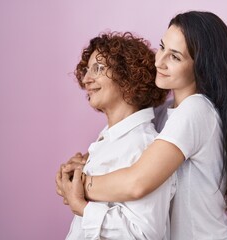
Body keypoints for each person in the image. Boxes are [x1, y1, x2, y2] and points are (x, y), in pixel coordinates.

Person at [58, 11, 227, 240]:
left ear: (200, 67)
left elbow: (137, 182)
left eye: (175, 57)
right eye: (162, 48)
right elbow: (127, 141)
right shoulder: (164, 113)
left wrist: (79, 187)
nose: (159, 61)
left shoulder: (196, 110)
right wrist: (85, 165)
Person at [56, 31, 177, 239]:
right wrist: (74, 178)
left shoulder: (144, 146)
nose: (86, 79)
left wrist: (84, 208)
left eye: (98, 68)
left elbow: (144, 235)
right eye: (86, 70)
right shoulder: (107, 139)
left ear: (128, 77)